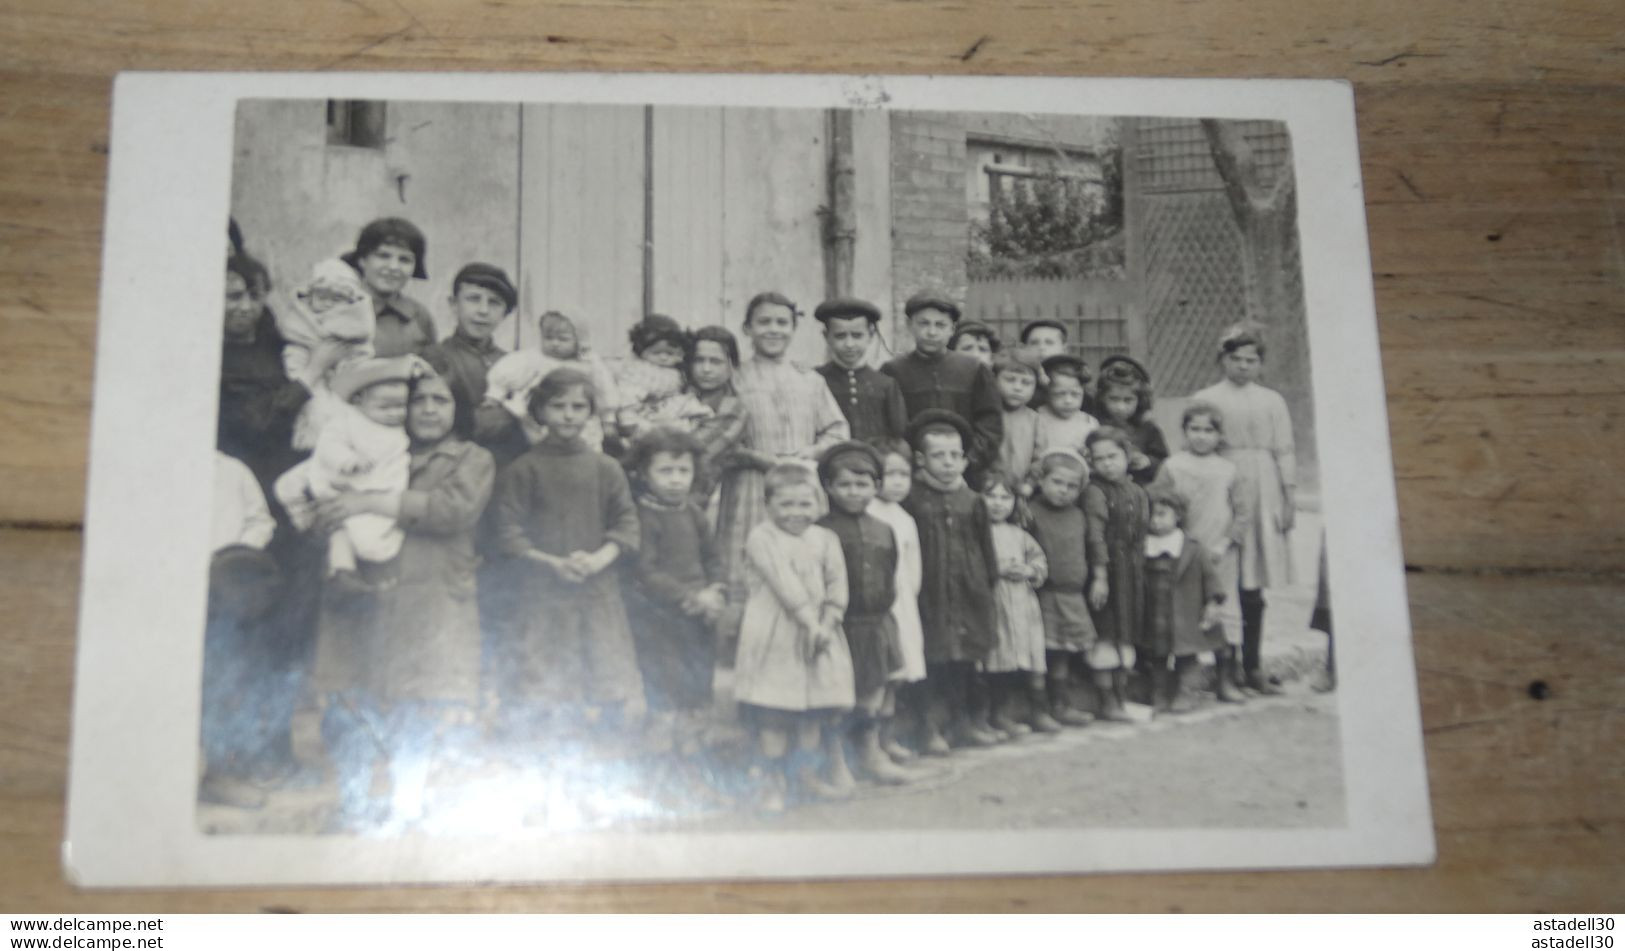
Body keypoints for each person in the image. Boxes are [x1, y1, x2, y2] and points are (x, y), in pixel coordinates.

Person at [307, 372, 496, 829]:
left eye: (441, 400)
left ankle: (406, 803)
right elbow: (325, 506)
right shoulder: (370, 452)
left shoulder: (472, 458)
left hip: (431, 596)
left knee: (418, 706)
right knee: (351, 697)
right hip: (366, 593)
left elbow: (453, 510)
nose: (429, 409)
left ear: (459, 410)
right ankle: (353, 802)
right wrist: (335, 527)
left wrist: (368, 502)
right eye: (419, 400)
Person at [489, 367, 645, 730]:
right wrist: (550, 563)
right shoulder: (523, 469)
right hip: (542, 592)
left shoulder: (606, 468)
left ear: (591, 411)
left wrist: (598, 559)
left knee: (605, 677)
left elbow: (627, 524)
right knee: (548, 687)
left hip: (597, 588)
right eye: (559, 406)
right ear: (540, 411)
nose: (569, 414)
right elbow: (507, 533)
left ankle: (608, 754)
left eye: (578, 406)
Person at [716, 292, 850, 630]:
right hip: (750, 488)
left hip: (802, 487)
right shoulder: (734, 379)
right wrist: (761, 459)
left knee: (801, 569)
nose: (772, 330)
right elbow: (720, 438)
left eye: (781, 323)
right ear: (747, 328)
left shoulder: (810, 379)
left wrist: (808, 453)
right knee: (750, 566)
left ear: (793, 329)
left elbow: (837, 430)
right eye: (763, 322)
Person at [733, 464, 855, 811]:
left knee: (813, 710)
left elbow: (837, 584)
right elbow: (785, 586)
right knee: (776, 709)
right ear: (768, 505)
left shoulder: (825, 539)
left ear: (818, 504)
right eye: (786, 505)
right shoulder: (762, 537)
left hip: (821, 634)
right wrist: (810, 623)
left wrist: (830, 621)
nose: (796, 513)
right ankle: (774, 780)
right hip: (777, 634)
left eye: (805, 504)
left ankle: (805, 776)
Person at [1190, 322, 1298, 696]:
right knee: (1226, 579)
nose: (1243, 366)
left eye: (1251, 360)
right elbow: (1197, 447)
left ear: (1261, 364)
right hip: (1223, 484)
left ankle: (1252, 665)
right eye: (1236, 359)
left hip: (1265, 485)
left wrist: (1289, 497)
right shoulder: (1206, 396)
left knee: (1253, 583)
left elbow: (1285, 450)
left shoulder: (1272, 400)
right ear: (1223, 359)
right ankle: (1227, 666)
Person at [622, 427, 727, 797]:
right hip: (660, 622)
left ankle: (693, 768)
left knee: (697, 694)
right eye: (665, 471)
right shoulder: (643, 517)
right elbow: (645, 571)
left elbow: (713, 558)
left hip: (699, 620)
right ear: (643, 474)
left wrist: (715, 591)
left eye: (683, 471)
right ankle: (660, 777)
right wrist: (688, 596)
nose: (676, 480)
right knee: (665, 696)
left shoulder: (694, 513)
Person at [218, 254, 339, 536]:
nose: (246, 307)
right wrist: (314, 370)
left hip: (292, 462)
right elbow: (255, 422)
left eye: (255, 296)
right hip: (251, 468)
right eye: (233, 297)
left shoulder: (272, 339)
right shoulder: (215, 356)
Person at [901, 410, 1000, 753]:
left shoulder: (972, 500)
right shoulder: (913, 498)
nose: (948, 463)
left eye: (955, 455)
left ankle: (964, 723)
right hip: (929, 591)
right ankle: (927, 728)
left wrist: (986, 586)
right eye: (938, 455)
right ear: (920, 459)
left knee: (964, 660)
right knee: (931, 658)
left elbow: (987, 550)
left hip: (968, 590)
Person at [274, 358, 416, 596]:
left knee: (361, 533)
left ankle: (344, 572)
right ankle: (302, 516)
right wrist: (347, 460)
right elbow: (329, 443)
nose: (395, 414)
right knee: (287, 486)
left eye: (400, 406)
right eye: (385, 406)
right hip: (331, 469)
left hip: (366, 484)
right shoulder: (347, 420)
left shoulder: (397, 433)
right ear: (359, 401)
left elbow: (394, 465)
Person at [816, 441, 910, 786]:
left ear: (876, 487)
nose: (854, 492)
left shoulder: (884, 530)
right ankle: (836, 760)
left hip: (876, 623)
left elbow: (891, 573)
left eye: (862, 484)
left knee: (873, 693)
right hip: (842, 626)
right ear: (828, 487)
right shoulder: (821, 530)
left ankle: (870, 754)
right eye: (844, 485)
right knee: (839, 696)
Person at [199, 451, 285, 809]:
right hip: (169, 586)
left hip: (227, 594)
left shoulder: (232, 469)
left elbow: (260, 520)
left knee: (228, 680)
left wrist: (233, 557)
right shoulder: (155, 468)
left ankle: (222, 773)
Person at [1152, 401, 1249, 703]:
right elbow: (1159, 501)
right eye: (1194, 429)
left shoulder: (1229, 469)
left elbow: (1243, 513)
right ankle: (1182, 681)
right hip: (1183, 554)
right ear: (1184, 431)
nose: (1201, 436)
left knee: (1224, 611)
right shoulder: (1173, 465)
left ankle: (1226, 679)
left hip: (1220, 552)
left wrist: (1225, 542)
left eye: (1209, 430)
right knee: (1186, 614)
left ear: (1220, 435)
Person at [881, 291, 1003, 482]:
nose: (932, 332)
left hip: (965, 473)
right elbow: (892, 427)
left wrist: (967, 461)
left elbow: (990, 423)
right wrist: (912, 462)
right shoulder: (894, 371)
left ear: (952, 329)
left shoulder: (973, 369)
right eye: (924, 323)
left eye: (940, 325)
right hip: (915, 474)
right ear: (909, 325)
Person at [421, 263, 529, 466]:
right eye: (473, 299)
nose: (483, 311)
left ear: (505, 313)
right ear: (454, 304)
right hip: (458, 465)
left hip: (512, 466)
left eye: (494, 303)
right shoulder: (435, 357)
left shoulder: (514, 363)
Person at [483, 310, 623, 455]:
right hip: (538, 417)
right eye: (548, 338)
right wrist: (494, 396)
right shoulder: (534, 358)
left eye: (563, 339)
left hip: (579, 418)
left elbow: (605, 390)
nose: (555, 343)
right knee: (536, 444)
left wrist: (608, 419)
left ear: (579, 340)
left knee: (585, 446)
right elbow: (506, 373)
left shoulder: (589, 363)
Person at [980, 467, 1054, 736]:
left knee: (1031, 656)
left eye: (1005, 498)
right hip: (996, 603)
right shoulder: (978, 533)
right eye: (991, 496)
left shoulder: (1019, 533)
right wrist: (997, 569)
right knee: (1000, 659)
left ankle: (1038, 710)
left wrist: (1030, 570)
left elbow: (1039, 560)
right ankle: (998, 715)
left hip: (1023, 606)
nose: (998, 504)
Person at [865, 440, 927, 762]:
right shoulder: (868, 514)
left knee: (896, 675)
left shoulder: (905, 518)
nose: (898, 482)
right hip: (876, 604)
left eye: (904, 474)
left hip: (901, 603)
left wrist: (906, 599)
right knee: (877, 674)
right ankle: (868, 743)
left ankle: (887, 740)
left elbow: (913, 570)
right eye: (890, 474)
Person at [1027, 448, 1097, 727]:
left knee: (1063, 652)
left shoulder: (1078, 516)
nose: (1064, 491)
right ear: (1041, 480)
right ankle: (1037, 708)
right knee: (1040, 652)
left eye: (1071, 486)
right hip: (1042, 594)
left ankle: (1060, 704)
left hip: (1071, 594)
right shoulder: (1030, 511)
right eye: (1057, 483)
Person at [1083, 426, 1149, 722]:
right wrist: (1100, 576)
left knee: (1127, 632)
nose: (1107, 463)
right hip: (1107, 569)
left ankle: (1123, 698)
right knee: (1106, 633)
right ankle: (1106, 701)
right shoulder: (1096, 492)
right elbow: (1095, 536)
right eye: (1100, 459)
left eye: (1113, 456)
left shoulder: (1137, 491)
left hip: (1132, 571)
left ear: (1127, 456)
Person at [1141, 490, 1227, 714]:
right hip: (1155, 611)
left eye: (1161, 514)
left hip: (1185, 612)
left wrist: (1213, 602)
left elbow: (1210, 577)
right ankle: (1159, 693)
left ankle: (1186, 692)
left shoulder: (1192, 548)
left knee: (1187, 655)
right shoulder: (1143, 546)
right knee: (1157, 655)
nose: (1155, 520)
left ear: (1177, 515)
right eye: (1150, 514)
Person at [279, 258, 377, 450]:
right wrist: (312, 367)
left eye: (337, 299)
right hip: (307, 371)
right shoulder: (301, 320)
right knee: (314, 408)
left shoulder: (355, 323)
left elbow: (362, 352)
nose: (328, 304)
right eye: (322, 297)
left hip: (344, 378)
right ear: (310, 296)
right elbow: (294, 339)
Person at [813, 298, 908, 446]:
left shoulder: (886, 384)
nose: (849, 344)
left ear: (870, 335)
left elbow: (898, 436)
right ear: (826, 337)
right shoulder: (815, 380)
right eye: (840, 336)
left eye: (857, 336)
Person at [340, 217, 437, 358]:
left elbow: (431, 372)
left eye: (404, 260)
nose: (393, 267)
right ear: (362, 260)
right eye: (383, 256)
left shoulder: (420, 316)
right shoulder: (339, 307)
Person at [615, 314, 711, 442]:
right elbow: (628, 393)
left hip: (670, 405)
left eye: (670, 353)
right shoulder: (638, 370)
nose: (663, 358)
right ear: (642, 351)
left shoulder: (678, 370)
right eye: (656, 353)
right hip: (645, 408)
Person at [685, 325, 750, 507]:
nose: (706, 369)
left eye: (715, 362)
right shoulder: (678, 394)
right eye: (699, 360)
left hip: (692, 499)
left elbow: (690, 451)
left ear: (732, 366)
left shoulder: (733, 408)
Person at [1095, 355, 1168, 485]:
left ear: (1140, 400)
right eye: (1114, 399)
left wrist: (1148, 462)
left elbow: (1163, 461)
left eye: (1128, 400)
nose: (1120, 407)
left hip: (1138, 490)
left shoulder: (1148, 428)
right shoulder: (1095, 425)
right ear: (1102, 398)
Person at [1033, 354, 1100, 475]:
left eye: (1075, 394)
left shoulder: (1089, 422)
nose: (1068, 401)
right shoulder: (1037, 418)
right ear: (1047, 393)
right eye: (1060, 394)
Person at [992, 347, 1043, 495]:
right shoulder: (988, 414)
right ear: (995, 379)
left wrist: (1030, 483)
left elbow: (1039, 458)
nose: (1017, 388)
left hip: (1022, 491)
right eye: (1010, 380)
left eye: (1026, 383)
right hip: (991, 490)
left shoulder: (1035, 419)